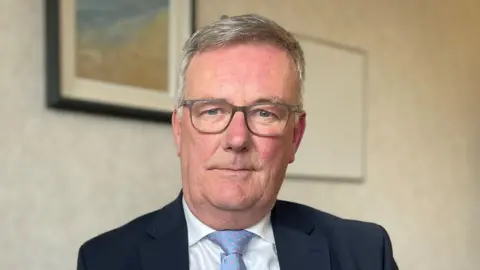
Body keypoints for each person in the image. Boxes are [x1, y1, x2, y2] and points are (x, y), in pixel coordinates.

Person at [77, 14, 398, 270]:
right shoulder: (105, 260)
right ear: (178, 130)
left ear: (296, 137)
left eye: (264, 113)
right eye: (213, 110)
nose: (237, 139)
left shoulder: (366, 254)